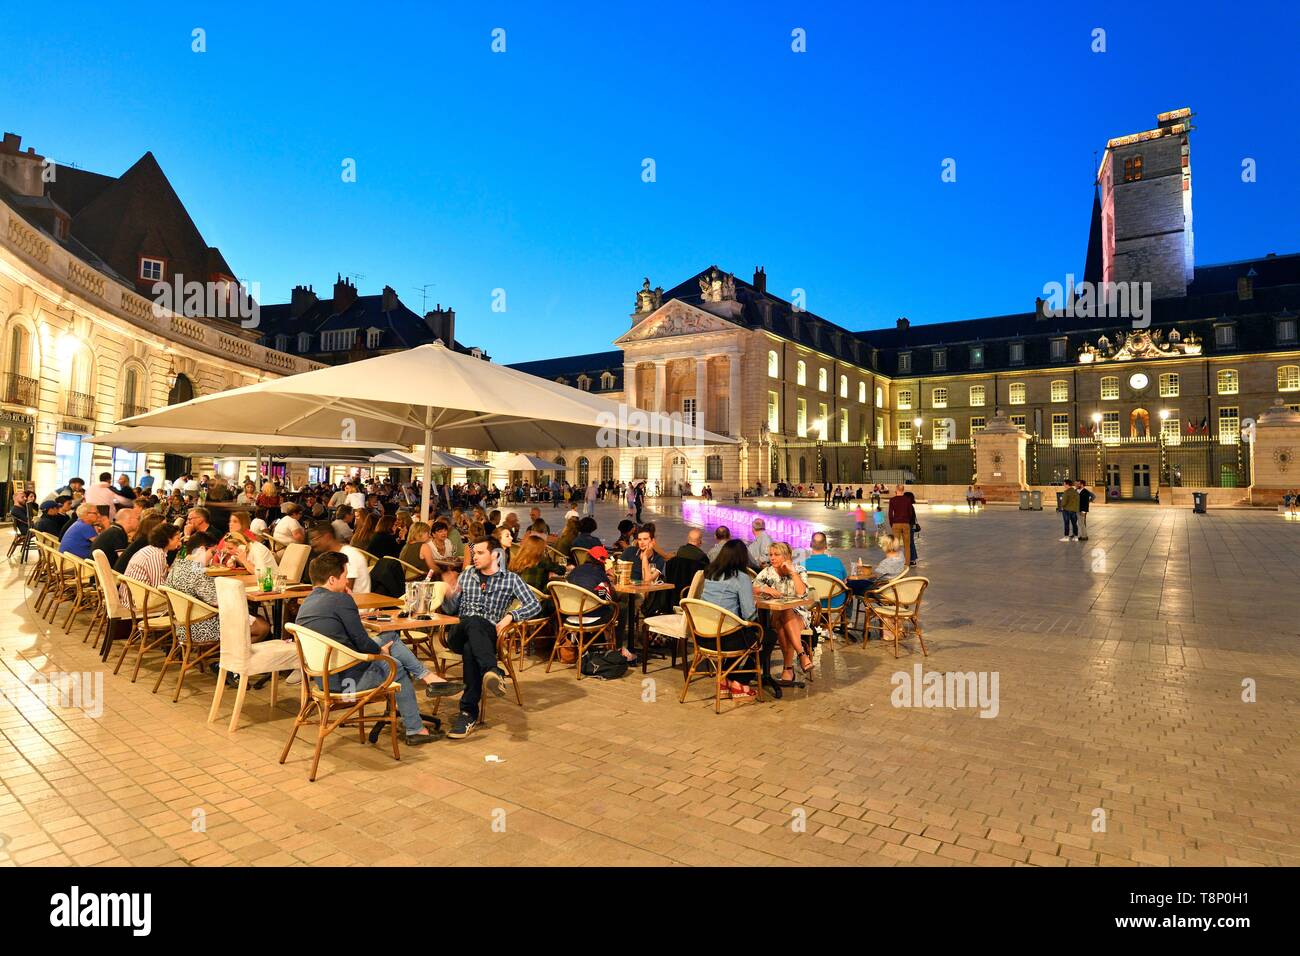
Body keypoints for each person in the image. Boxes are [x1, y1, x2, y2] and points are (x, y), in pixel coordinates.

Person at [295, 552, 462, 746]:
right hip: (347, 685)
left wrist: (378, 647)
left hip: (324, 679)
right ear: (332, 579)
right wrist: (381, 651)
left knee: (390, 638)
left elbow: (349, 639)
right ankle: (416, 727)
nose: (347, 583)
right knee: (395, 665)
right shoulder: (341, 601)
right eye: (344, 577)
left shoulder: (306, 603)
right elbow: (362, 642)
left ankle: (428, 681)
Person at [437, 537, 542, 739]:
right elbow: (451, 611)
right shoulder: (467, 575)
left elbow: (534, 604)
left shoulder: (511, 579)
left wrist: (512, 615)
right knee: (474, 622)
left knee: (471, 648)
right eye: (474, 553)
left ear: (495, 554)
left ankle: (467, 713)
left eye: (480, 553)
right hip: (459, 631)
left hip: (486, 637)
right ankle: (492, 669)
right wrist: (451, 594)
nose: (474, 557)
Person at [698, 539, 762, 699]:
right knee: (765, 635)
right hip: (725, 640)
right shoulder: (741, 577)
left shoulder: (710, 573)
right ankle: (738, 681)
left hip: (703, 637)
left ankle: (725, 679)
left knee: (740, 631)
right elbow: (749, 615)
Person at [754, 542, 813, 684]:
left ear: (787, 556)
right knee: (783, 613)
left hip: (799, 615)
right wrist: (764, 589)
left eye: (776, 554)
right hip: (774, 615)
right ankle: (802, 654)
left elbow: (801, 593)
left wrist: (792, 572)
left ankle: (788, 668)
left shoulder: (799, 570)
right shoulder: (767, 572)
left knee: (784, 619)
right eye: (770, 555)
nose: (772, 558)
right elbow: (751, 587)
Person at [309, 526, 371, 594]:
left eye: (315, 539)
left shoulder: (350, 555)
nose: (312, 543)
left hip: (355, 602)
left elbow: (344, 590)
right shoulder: (330, 557)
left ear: (327, 536)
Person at [803, 532, 847, 612]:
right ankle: (847, 620)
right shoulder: (837, 562)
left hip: (811, 603)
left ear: (810, 544)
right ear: (826, 546)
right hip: (834, 602)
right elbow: (844, 581)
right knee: (848, 589)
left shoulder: (803, 565)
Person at [887, 485, 915, 568]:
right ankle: (907, 563)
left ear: (896, 490)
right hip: (905, 524)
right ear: (903, 490)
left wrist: (892, 524)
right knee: (907, 545)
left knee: (896, 544)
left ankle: (896, 562)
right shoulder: (907, 500)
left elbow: (890, 514)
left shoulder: (892, 500)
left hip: (896, 523)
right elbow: (910, 513)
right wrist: (907, 521)